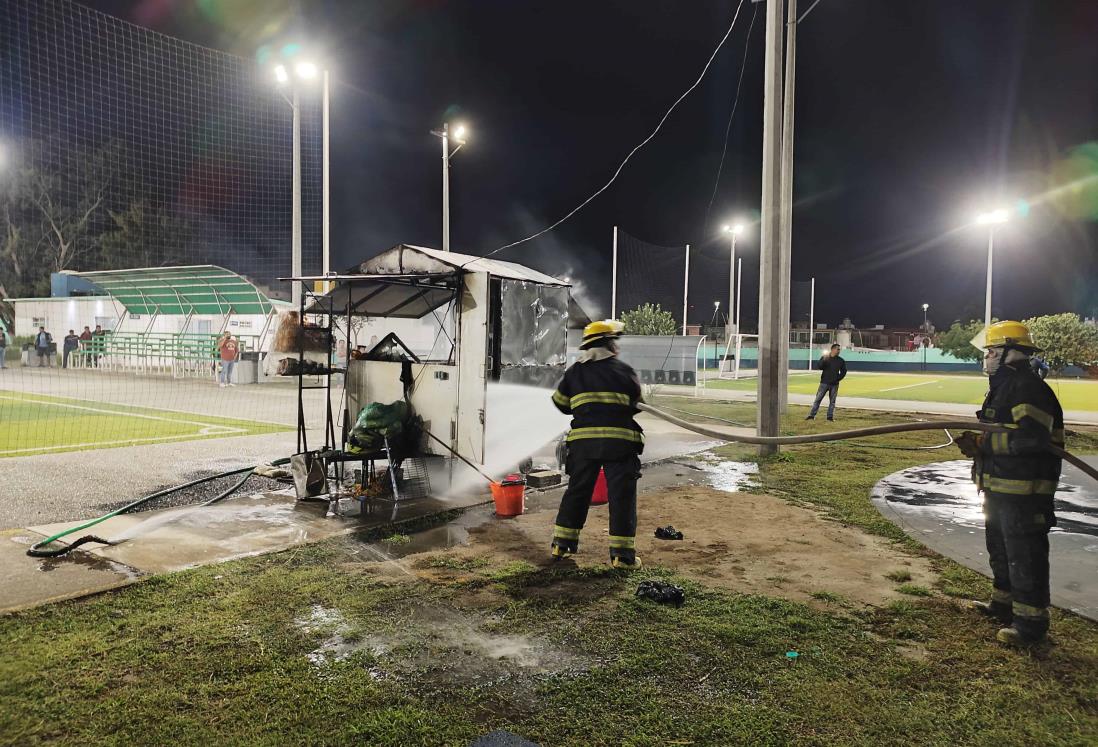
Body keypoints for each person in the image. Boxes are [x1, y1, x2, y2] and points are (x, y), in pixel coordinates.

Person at [955, 320, 1063, 647]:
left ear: (1010, 352)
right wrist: (979, 445)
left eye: (991, 351)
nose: (986, 357)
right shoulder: (1004, 386)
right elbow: (1000, 433)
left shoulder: (1028, 388)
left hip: (1024, 492)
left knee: (1024, 554)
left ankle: (1030, 626)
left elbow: (1032, 440)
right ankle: (1003, 605)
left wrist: (985, 445)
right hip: (1000, 486)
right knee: (1001, 549)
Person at [549, 320, 644, 569]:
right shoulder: (624, 371)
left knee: (578, 491)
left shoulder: (574, 372)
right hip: (620, 445)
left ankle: (562, 544)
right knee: (621, 497)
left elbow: (560, 403)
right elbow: (637, 403)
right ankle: (622, 557)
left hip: (583, 445)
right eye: (614, 341)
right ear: (608, 343)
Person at [806, 343, 847, 421]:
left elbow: (844, 371)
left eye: (839, 349)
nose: (839, 351)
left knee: (832, 401)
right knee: (818, 400)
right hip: (824, 383)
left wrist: (837, 378)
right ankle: (812, 415)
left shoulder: (840, 360)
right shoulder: (825, 357)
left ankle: (830, 417)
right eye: (838, 349)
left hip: (834, 384)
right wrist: (824, 360)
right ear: (833, 349)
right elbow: (819, 367)